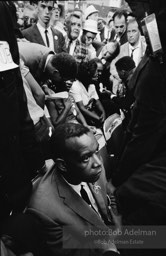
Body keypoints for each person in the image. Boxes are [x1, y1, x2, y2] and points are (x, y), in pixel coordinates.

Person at [25, 123, 120, 256]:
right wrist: (110, 249)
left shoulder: (93, 163)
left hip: (116, 232)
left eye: (96, 151)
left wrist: (118, 220)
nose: (98, 163)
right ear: (63, 165)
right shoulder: (43, 209)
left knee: (158, 237)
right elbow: (74, 253)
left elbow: (108, 193)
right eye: (85, 158)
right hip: (97, 250)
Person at [112, 7, 166, 226]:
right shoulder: (154, 56)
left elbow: (141, 136)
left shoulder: (156, 72)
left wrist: (117, 181)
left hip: (150, 166)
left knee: (136, 233)